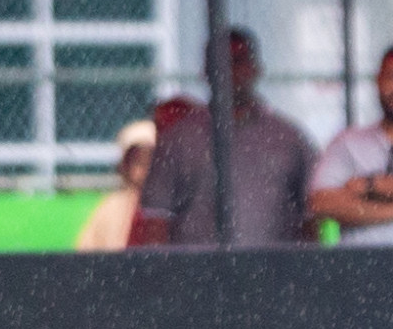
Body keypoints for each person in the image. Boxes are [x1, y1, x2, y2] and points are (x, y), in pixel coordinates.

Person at [134, 28, 317, 247]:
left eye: (238, 61)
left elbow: (311, 218)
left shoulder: (289, 139)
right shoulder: (178, 140)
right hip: (197, 275)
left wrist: (309, 275)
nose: (230, 72)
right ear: (205, 71)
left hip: (272, 274)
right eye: (220, 64)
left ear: (256, 69)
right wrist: (162, 276)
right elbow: (157, 218)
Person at [309, 46, 393, 246]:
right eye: (391, 77)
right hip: (361, 271)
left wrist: (368, 186)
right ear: (378, 81)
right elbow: (323, 204)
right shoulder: (348, 143)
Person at [75, 119, 155, 251]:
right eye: (139, 162)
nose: (145, 172)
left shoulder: (179, 208)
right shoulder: (112, 209)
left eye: (151, 162)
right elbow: (85, 256)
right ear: (124, 166)